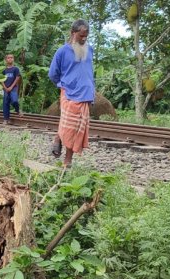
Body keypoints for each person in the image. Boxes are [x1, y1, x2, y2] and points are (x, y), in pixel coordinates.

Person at [48, 19, 95, 168]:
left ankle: (65, 156)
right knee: (70, 127)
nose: (84, 38)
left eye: (86, 35)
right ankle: (63, 152)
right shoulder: (62, 51)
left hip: (86, 94)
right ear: (73, 33)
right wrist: (63, 84)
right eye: (81, 35)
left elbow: (89, 71)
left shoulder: (90, 50)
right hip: (69, 93)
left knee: (75, 129)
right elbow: (53, 74)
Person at [1, 53, 22, 124]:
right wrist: (5, 87)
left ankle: (17, 110)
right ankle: (5, 119)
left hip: (13, 88)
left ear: (13, 59)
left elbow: (17, 78)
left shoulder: (15, 69)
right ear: (6, 60)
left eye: (11, 58)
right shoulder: (4, 70)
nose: (10, 59)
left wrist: (11, 87)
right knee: (5, 103)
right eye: (8, 58)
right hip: (6, 89)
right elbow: (1, 79)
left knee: (14, 101)